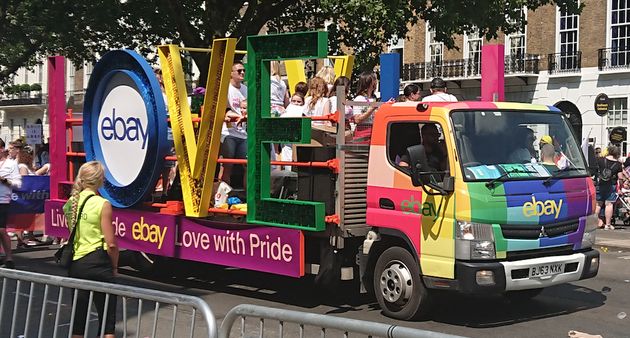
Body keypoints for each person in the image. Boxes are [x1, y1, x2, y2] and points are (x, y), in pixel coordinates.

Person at [63, 161, 118, 337]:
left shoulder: (70, 203)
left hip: (77, 263)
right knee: (107, 321)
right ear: (100, 180)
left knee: (78, 319)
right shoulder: (103, 204)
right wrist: (114, 267)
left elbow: (73, 233)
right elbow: (111, 244)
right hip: (99, 261)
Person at [220, 61, 248, 187]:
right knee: (227, 165)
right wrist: (239, 116)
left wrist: (244, 117)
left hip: (243, 133)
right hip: (228, 132)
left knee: (248, 164)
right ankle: (221, 196)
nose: (242, 73)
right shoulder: (226, 89)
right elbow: (225, 111)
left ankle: (248, 197)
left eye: (244, 70)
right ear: (231, 73)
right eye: (239, 71)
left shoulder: (246, 89)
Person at [0, 138, 22, 268]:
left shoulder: (11, 164)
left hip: (3, 200)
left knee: (1, 229)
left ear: (1, 149)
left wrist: (5, 181)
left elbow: (18, 184)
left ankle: (9, 258)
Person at [595, 145, 624, 230]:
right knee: (609, 204)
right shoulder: (618, 164)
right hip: (611, 185)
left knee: (598, 204)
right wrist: (620, 186)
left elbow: (595, 171)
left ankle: (596, 222)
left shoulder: (600, 160)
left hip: (600, 184)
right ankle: (608, 224)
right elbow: (620, 177)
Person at [352, 71, 379, 143]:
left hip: (374, 132)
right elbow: (357, 119)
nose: (376, 82)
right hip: (363, 134)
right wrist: (371, 110)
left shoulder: (374, 98)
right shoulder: (359, 99)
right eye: (374, 79)